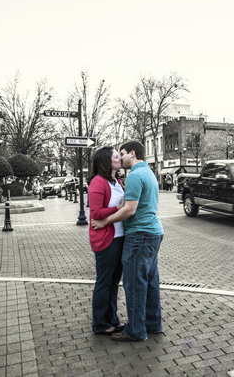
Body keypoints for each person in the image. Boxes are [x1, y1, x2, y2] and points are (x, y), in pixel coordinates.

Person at [91, 141, 164, 342]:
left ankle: (136, 330)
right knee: (149, 282)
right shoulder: (148, 172)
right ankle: (152, 324)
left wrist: (105, 220)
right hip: (151, 233)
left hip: (139, 235)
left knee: (134, 284)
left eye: (122, 153)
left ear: (132, 153)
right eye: (117, 155)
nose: (120, 157)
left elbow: (129, 209)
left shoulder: (134, 176)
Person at [88, 146, 126, 335]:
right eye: (115, 156)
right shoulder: (98, 182)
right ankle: (100, 324)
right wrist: (118, 208)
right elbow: (95, 214)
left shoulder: (117, 181)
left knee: (113, 282)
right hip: (106, 240)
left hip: (120, 238)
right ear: (105, 160)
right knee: (104, 282)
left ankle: (112, 319)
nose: (119, 158)